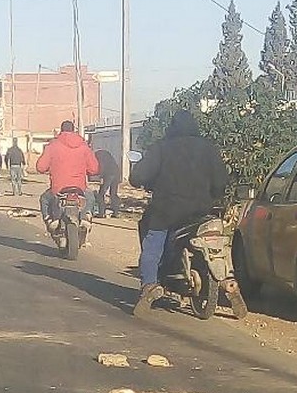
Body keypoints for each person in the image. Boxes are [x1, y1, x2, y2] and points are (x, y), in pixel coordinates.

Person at [129, 109, 228, 317]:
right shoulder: (208, 149)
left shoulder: (162, 148)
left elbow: (138, 177)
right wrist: (213, 195)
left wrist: (146, 181)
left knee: (153, 244)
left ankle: (150, 285)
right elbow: (221, 181)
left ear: (171, 127)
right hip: (201, 211)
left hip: (166, 210)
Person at [36, 120, 99, 226]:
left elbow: (41, 167)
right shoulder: (84, 147)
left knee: (44, 200)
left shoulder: (52, 146)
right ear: (74, 131)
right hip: (80, 189)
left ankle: (50, 220)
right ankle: (86, 216)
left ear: (61, 131)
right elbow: (94, 169)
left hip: (58, 189)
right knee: (91, 197)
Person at [92, 148, 122, 218]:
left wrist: (100, 177)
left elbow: (101, 166)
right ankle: (116, 212)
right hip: (116, 172)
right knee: (113, 193)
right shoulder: (103, 153)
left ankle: (101, 213)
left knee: (101, 193)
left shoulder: (97, 155)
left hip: (108, 174)